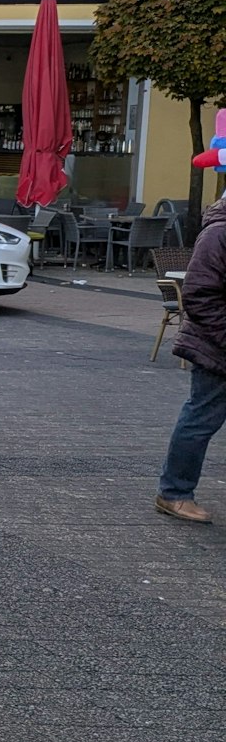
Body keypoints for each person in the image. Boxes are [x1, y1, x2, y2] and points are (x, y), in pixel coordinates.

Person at [156, 192, 226, 524]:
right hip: (217, 349)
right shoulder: (218, 234)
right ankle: (174, 493)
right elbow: (198, 295)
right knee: (200, 420)